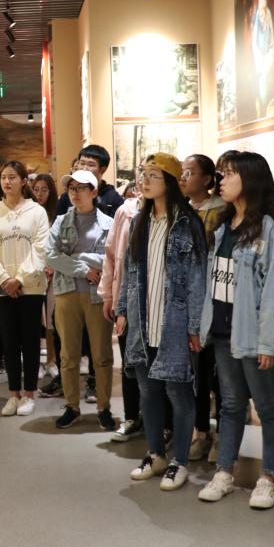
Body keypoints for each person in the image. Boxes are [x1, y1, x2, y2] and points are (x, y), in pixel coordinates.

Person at [196, 152, 274, 510]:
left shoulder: (267, 228)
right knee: (231, 404)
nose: (221, 180)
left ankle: (270, 476)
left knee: (267, 407)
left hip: (252, 334)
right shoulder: (223, 224)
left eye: (229, 174)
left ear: (249, 180)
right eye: (221, 174)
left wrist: (269, 343)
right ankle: (224, 471)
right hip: (224, 331)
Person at [117, 154, 207, 489]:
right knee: (148, 391)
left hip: (174, 323)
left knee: (179, 393)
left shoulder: (187, 223)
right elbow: (129, 271)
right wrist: (122, 309)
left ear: (170, 181)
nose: (145, 180)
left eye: (153, 175)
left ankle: (179, 460)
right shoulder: (139, 222)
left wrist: (194, 325)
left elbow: (197, 278)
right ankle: (155, 453)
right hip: (143, 321)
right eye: (143, 174)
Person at [46, 169, 115, 429]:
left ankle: (104, 407)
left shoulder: (108, 223)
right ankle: (72, 406)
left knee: (102, 354)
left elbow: (111, 258)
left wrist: (79, 257)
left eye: (81, 188)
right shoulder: (61, 221)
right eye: (71, 188)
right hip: (67, 292)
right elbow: (50, 255)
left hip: (97, 295)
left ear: (93, 192)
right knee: (68, 354)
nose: (75, 193)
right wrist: (84, 268)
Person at [0, 161, 49, 416]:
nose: (7, 182)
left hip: (31, 287)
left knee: (30, 340)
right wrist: (4, 279)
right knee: (9, 342)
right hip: (2, 289)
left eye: (12, 177)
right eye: (3, 178)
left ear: (23, 181)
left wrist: (19, 278)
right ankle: (13, 394)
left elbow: (40, 249)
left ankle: (29, 393)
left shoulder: (37, 212)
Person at [179, 154, 227, 459]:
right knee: (195, 372)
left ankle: (222, 435)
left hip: (214, 297)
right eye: (182, 172)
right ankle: (201, 431)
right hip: (187, 300)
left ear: (208, 179)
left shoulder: (220, 210)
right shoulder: (181, 210)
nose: (184, 177)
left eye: (190, 172)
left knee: (218, 373)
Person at [99, 179, 142, 441]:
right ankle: (131, 416)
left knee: (155, 364)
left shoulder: (175, 212)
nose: (145, 182)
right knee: (129, 361)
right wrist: (108, 295)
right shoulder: (125, 211)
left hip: (157, 302)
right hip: (125, 298)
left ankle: (162, 422)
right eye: (143, 176)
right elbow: (112, 254)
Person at [32, 173, 63, 389]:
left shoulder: (57, 216)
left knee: (52, 321)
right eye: (36, 189)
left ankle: (52, 359)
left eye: (44, 189)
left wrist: (51, 268)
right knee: (34, 320)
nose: (40, 194)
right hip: (32, 273)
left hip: (53, 274)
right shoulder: (28, 214)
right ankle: (36, 361)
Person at [54, 145, 124, 217]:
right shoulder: (67, 196)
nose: (84, 169)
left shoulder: (114, 199)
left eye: (91, 165)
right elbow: (57, 221)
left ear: (102, 169)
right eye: (82, 163)